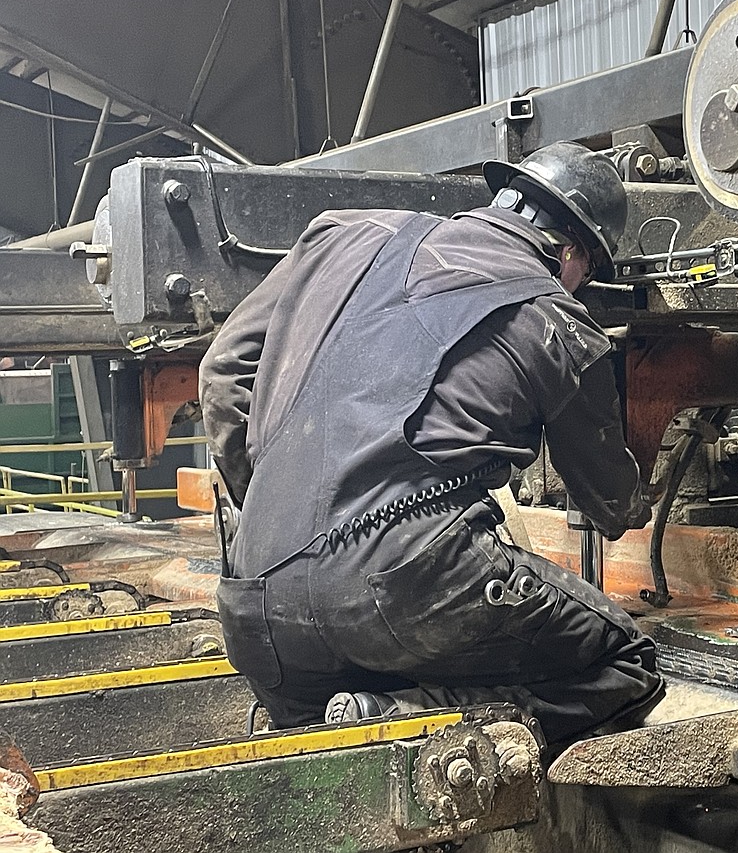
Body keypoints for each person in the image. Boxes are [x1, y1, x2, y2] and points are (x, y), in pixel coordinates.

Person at [199, 141, 663, 742]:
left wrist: (274, 507)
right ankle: (417, 716)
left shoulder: (341, 235)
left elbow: (224, 371)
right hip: (403, 593)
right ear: (571, 251)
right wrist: (639, 490)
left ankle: (363, 709)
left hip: (258, 616)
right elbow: (609, 507)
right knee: (627, 664)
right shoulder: (561, 324)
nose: (580, 288)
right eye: (589, 273)